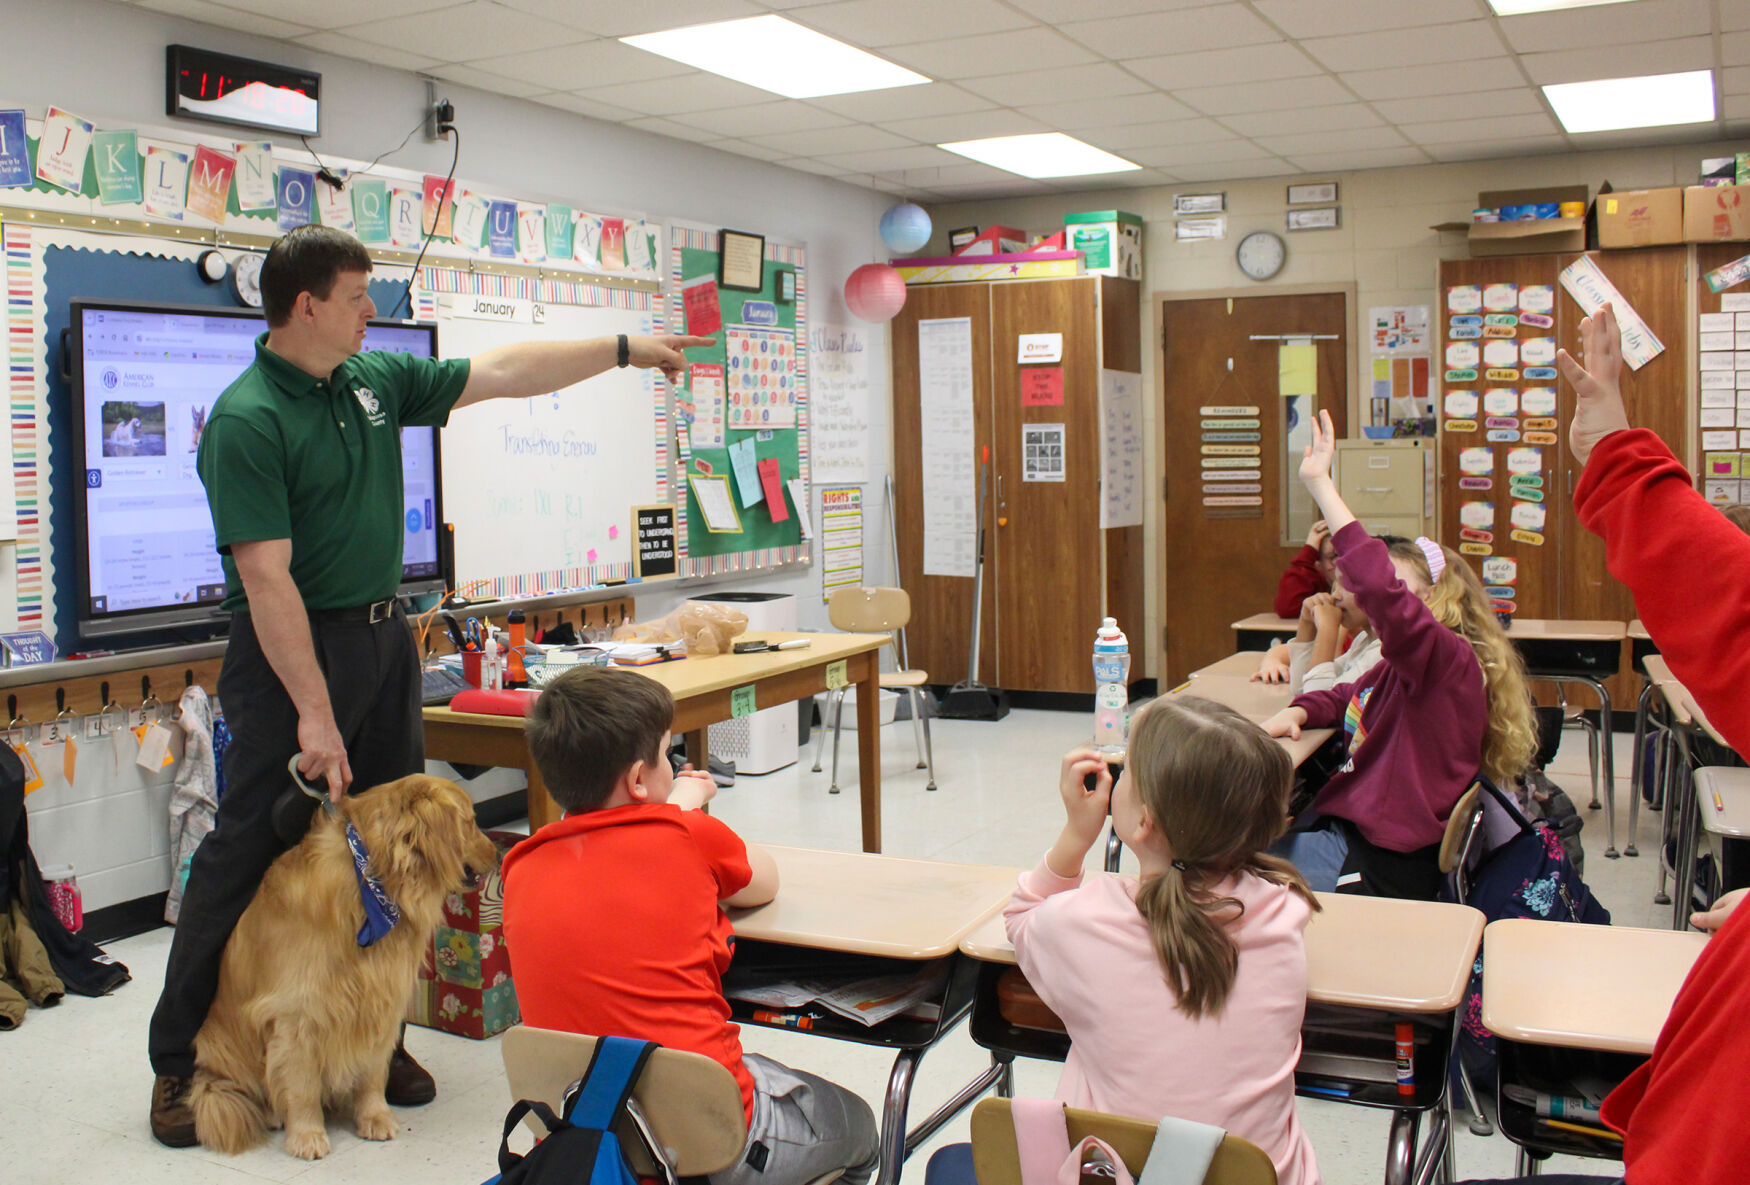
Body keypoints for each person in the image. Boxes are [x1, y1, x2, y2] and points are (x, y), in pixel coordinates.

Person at [147, 224, 713, 1147]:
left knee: (393, 850)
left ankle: (378, 1041)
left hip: (381, 641)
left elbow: (503, 374)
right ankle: (179, 1060)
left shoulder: (370, 383)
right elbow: (267, 580)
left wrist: (621, 351)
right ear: (307, 307)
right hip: (293, 656)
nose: (375, 312)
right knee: (245, 849)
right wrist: (314, 716)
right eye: (359, 297)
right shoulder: (249, 418)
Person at [500, 667, 880, 1185]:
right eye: (664, 755)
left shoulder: (521, 865)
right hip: (710, 1146)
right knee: (861, 1125)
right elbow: (762, 881)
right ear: (639, 779)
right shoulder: (685, 835)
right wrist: (683, 809)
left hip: (587, 1136)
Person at [999, 697, 1323, 1185]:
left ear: (1145, 821)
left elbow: (1022, 915)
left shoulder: (1086, 922)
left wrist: (1076, 834)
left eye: (1127, 770)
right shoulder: (1284, 913)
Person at [1261, 410, 1537, 899]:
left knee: (1215, 858)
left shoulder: (1444, 660)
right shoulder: (1408, 663)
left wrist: (1322, 485)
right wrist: (1300, 708)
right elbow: (1348, 695)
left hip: (1381, 865)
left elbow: (1379, 590)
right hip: (1366, 839)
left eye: (1396, 590)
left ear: (1431, 601)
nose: (1366, 595)